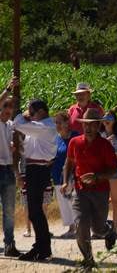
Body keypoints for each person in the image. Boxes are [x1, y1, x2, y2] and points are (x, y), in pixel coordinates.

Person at [61, 108, 117, 268]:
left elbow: (113, 169)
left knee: (98, 229)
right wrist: (66, 181)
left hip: (100, 191)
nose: (88, 128)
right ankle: (88, 260)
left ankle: (108, 230)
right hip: (80, 191)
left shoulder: (105, 145)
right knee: (81, 225)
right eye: (85, 125)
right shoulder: (75, 142)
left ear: (98, 126)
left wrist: (97, 176)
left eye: (92, 125)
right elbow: (69, 163)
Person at [12, 98, 58, 262]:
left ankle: (43, 247)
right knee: (34, 211)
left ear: (40, 112)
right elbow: (27, 146)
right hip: (34, 169)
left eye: (31, 113)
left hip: (39, 170)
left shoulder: (44, 126)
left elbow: (17, 123)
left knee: (35, 211)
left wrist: (21, 114)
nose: (29, 116)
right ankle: (41, 246)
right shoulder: (40, 127)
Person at [0, 77, 20, 257]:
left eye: (10, 107)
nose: (7, 110)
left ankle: (9, 245)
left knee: (9, 210)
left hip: (7, 169)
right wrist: (8, 88)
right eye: (5, 106)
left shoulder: (11, 125)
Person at [52, 111, 78, 238]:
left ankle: (78, 227)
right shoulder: (55, 139)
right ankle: (71, 228)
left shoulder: (75, 136)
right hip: (57, 175)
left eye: (59, 122)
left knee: (73, 202)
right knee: (63, 204)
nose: (57, 125)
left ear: (67, 122)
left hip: (72, 176)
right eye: (55, 122)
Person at [100, 111, 117, 232]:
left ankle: (114, 229)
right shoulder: (99, 135)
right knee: (102, 200)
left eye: (109, 118)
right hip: (102, 170)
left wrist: (113, 155)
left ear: (114, 121)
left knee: (115, 200)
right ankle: (102, 227)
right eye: (105, 118)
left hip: (116, 169)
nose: (106, 120)